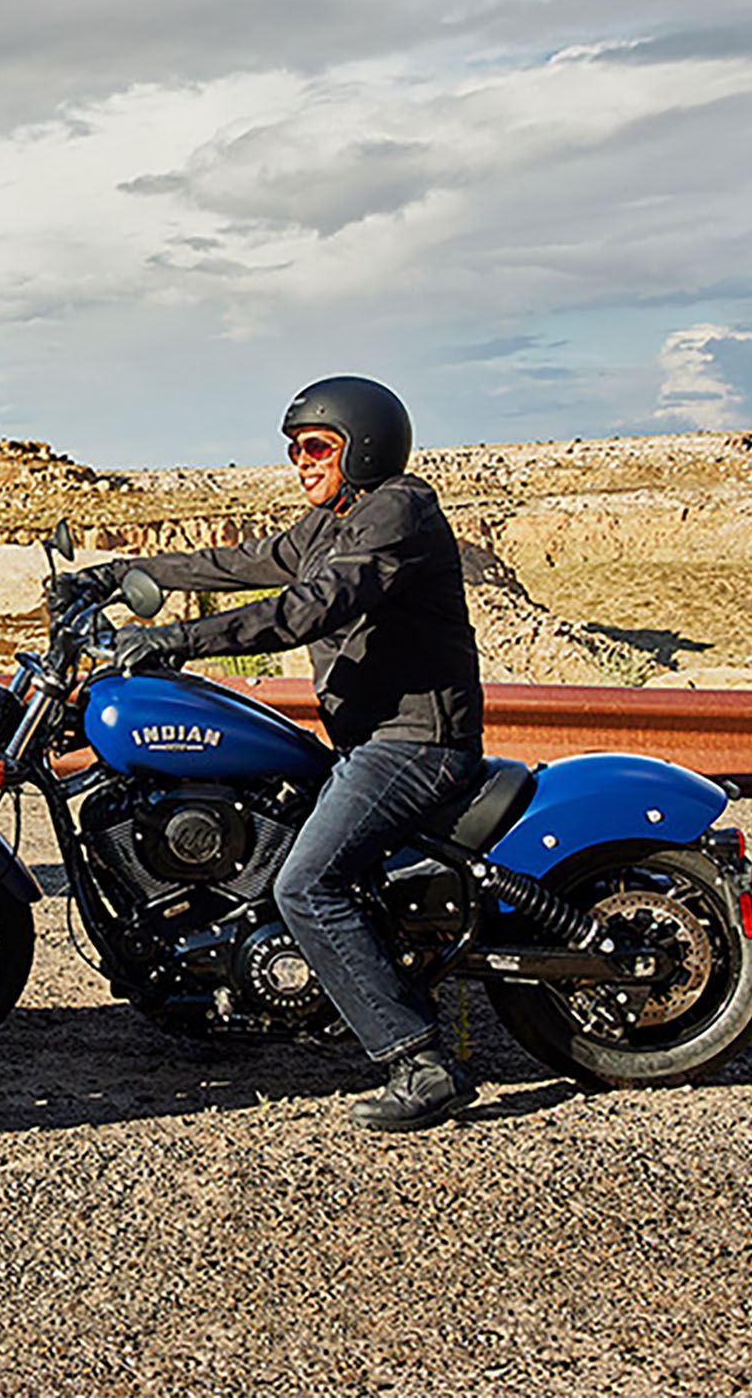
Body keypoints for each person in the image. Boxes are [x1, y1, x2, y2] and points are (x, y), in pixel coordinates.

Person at [58, 376, 483, 1131]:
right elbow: (234, 564)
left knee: (307, 884)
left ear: (363, 446)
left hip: (414, 744)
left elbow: (311, 607)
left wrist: (180, 640)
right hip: (366, 741)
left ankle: (420, 1064)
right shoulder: (331, 523)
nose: (301, 461)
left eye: (316, 446)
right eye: (293, 448)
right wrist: (116, 577)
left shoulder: (397, 510)